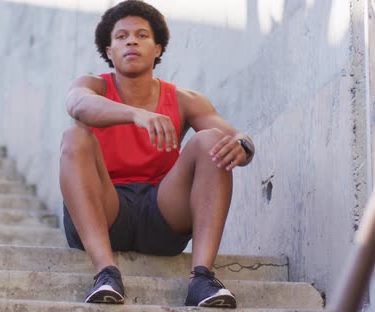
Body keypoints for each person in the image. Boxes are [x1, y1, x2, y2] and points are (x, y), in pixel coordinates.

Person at [60, 0, 255, 308]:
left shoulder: (186, 100)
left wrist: (243, 144)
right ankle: (106, 273)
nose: (132, 41)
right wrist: (136, 114)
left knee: (210, 141)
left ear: (158, 48)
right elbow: (78, 106)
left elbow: (236, 138)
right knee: (74, 136)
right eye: (121, 36)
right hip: (105, 211)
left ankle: (202, 278)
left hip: (162, 214)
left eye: (141, 35)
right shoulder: (92, 86)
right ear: (109, 51)